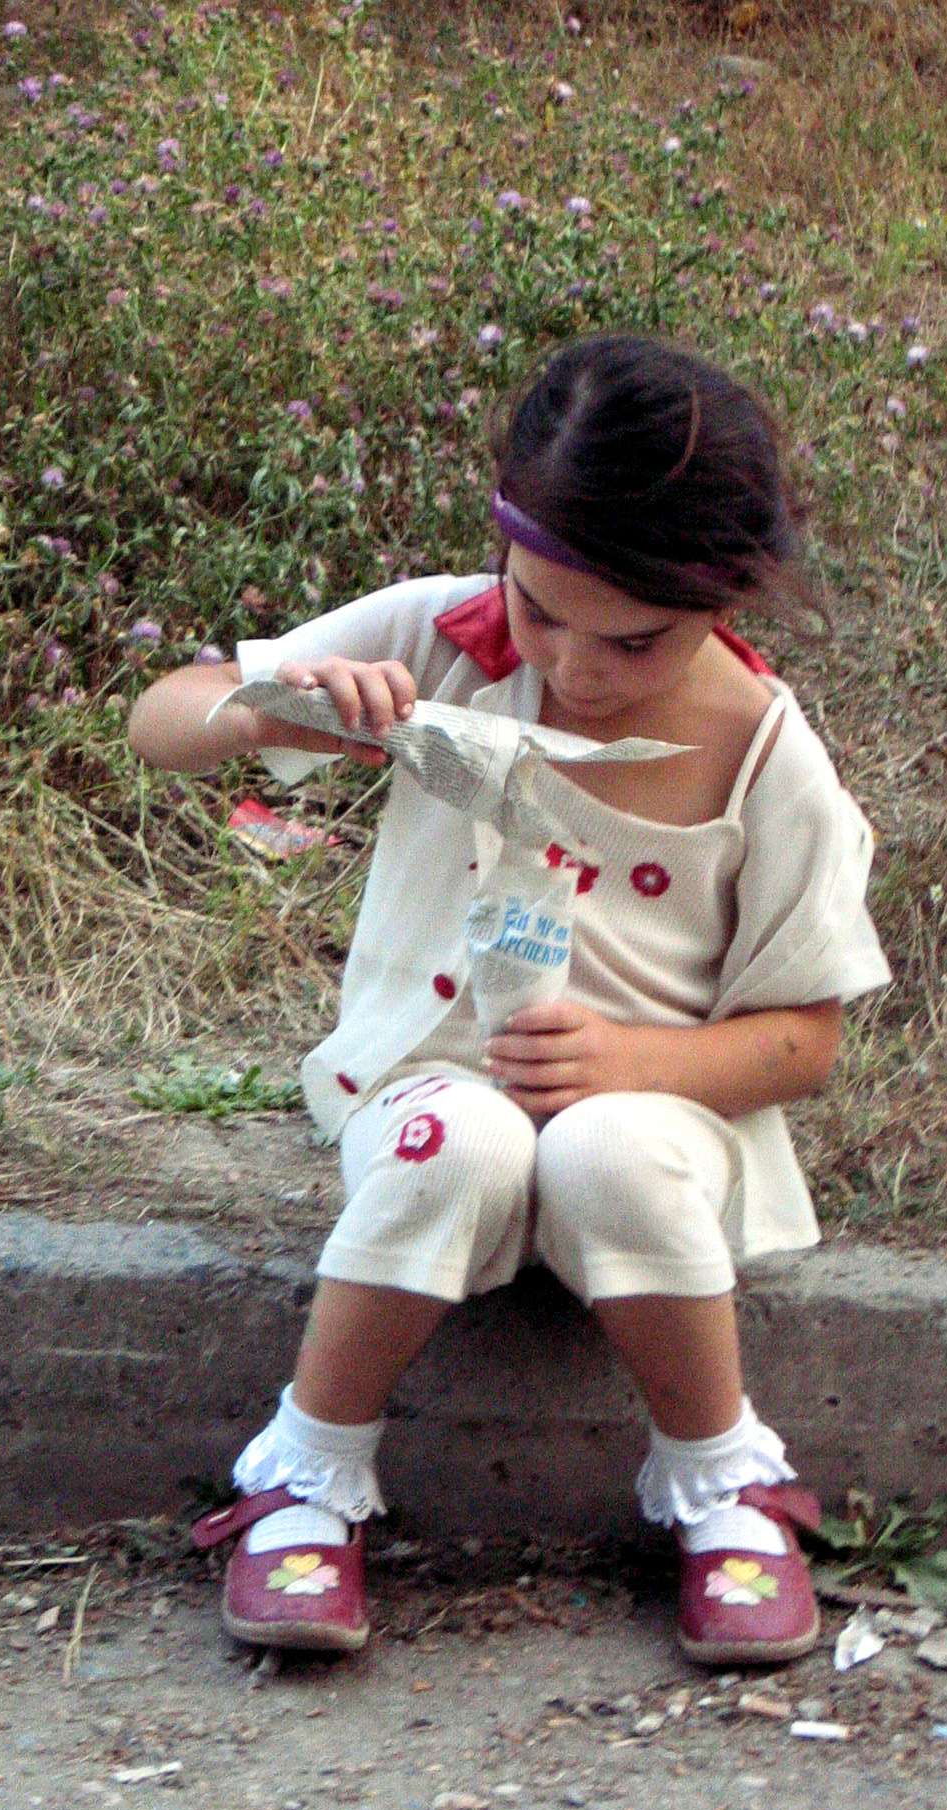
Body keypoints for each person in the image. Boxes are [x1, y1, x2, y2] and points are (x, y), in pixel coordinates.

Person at [128, 332, 889, 1667]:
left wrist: (631, 1060)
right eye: (541, 612)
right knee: (453, 1140)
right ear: (505, 553)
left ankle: (720, 1481)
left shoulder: (770, 758)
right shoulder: (442, 635)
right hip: (435, 1087)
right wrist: (271, 710)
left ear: (727, 600)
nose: (578, 667)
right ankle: (305, 1473)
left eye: (636, 639)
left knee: (610, 1152)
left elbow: (803, 1038)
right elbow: (159, 715)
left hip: (650, 1112)